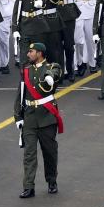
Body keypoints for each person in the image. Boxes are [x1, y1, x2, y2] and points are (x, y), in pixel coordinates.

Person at [14, 42, 64, 198]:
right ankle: (28, 186)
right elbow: (20, 93)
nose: (28, 54)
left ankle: (51, 181)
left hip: (46, 118)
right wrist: (18, 116)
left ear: (40, 53)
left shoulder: (50, 67)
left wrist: (50, 77)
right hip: (29, 117)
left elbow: (56, 71)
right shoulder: (26, 70)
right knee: (29, 154)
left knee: (49, 152)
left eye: (31, 51)